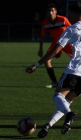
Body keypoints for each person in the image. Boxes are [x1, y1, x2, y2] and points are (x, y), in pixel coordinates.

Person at [26, 1, 81, 138]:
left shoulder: (71, 29)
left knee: (58, 97)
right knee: (66, 102)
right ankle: (48, 125)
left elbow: (55, 50)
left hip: (73, 71)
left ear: (74, 14)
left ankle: (69, 115)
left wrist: (37, 64)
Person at [38, 3, 73, 88]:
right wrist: (40, 49)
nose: (50, 12)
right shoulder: (45, 23)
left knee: (77, 60)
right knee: (47, 60)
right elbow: (42, 36)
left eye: (52, 10)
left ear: (56, 12)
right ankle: (54, 82)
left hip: (68, 43)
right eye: (49, 10)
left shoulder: (63, 19)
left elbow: (73, 30)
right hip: (56, 44)